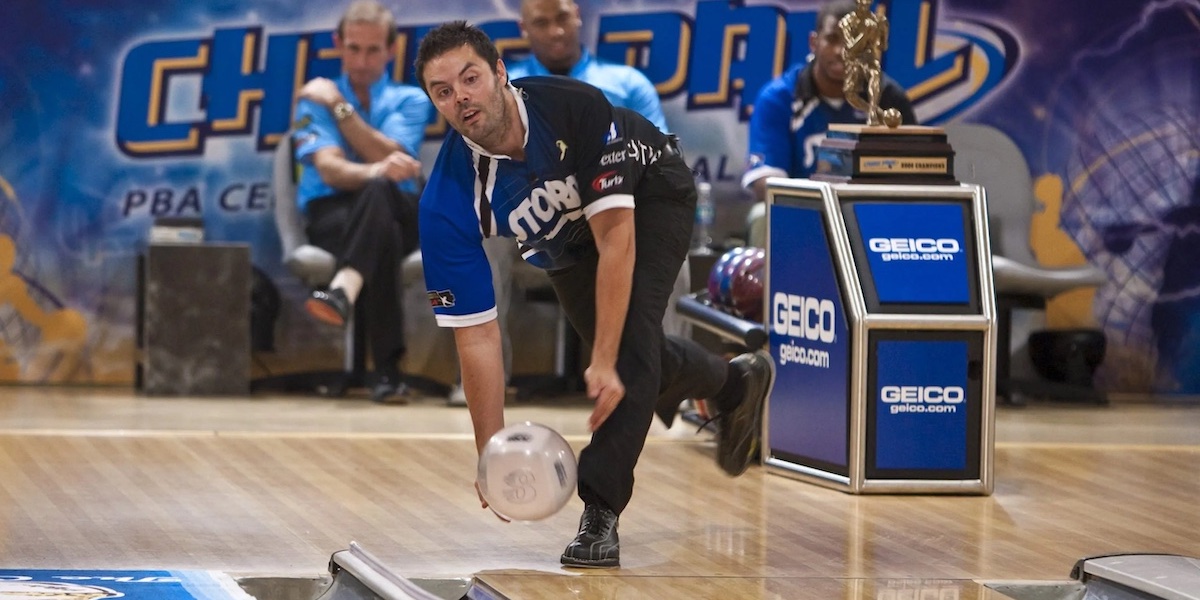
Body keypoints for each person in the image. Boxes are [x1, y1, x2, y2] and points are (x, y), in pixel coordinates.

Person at [413, 22, 773, 568]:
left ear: (500, 74)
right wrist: (492, 456)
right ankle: (735, 381)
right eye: (443, 91)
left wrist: (603, 360)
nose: (460, 96)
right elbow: (478, 337)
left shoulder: (573, 106)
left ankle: (600, 511)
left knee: (626, 355)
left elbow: (618, 242)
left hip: (649, 198)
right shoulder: (446, 200)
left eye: (470, 78)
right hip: (564, 243)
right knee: (639, 354)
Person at [444, 0, 676, 406]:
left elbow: (660, 160)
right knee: (487, 239)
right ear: (524, 27)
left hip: (611, 206)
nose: (555, 31)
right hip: (539, 217)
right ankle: (487, 379)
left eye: (562, 19)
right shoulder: (501, 85)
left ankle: (663, 387)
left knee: (668, 235)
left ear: (579, 18)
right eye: (542, 22)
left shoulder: (627, 83)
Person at [292, 0, 434, 403]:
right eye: (353, 48)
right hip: (332, 213)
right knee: (380, 223)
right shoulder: (311, 99)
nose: (362, 59)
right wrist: (377, 170)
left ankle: (342, 290)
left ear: (391, 50)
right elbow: (333, 171)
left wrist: (339, 107)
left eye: (373, 50)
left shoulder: (410, 99)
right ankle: (388, 372)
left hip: (403, 211)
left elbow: (391, 158)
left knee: (382, 199)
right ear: (339, 44)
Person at [740, 0, 916, 245]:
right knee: (762, 215)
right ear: (814, 42)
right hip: (803, 215)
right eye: (833, 39)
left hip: (873, 218)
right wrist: (829, 206)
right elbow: (765, 184)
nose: (842, 51)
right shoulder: (779, 97)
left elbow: (915, 179)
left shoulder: (888, 99)